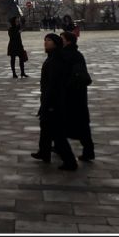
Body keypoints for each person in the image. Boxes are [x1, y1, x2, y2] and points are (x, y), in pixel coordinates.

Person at [31, 33, 78, 170]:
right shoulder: (53, 57)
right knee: (45, 128)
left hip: (54, 102)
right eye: (45, 40)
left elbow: (54, 85)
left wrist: (48, 104)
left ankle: (70, 161)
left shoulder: (56, 60)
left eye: (49, 40)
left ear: (56, 43)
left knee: (57, 134)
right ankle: (44, 152)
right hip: (50, 99)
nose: (45, 42)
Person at [61, 30, 95, 161]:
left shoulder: (68, 55)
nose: (60, 41)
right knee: (80, 124)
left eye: (62, 39)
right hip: (78, 95)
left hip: (72, 94)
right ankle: (87, 149)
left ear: (68, 41)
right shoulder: (76, 54)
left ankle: (67, 151)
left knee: (70, 122)